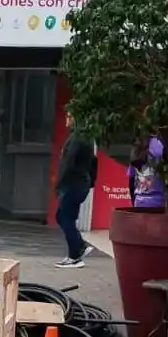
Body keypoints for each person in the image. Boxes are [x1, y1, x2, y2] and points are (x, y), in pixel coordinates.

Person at [54, 112, 97, 269]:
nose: (66, 119)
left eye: (69, 116)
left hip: (73, 184)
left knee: (64, 217)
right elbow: (94, 163)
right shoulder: (85, 137)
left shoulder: (77, 139)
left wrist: (58, 184)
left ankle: (76, 254)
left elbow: (68, 164)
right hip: (79, 183)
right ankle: (78, 248)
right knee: (64, 217)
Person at [128, 136, 166, 208]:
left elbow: (131, 181)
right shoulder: (163, 144)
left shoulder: (137, 145)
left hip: (139, 200)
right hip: (159, 200)